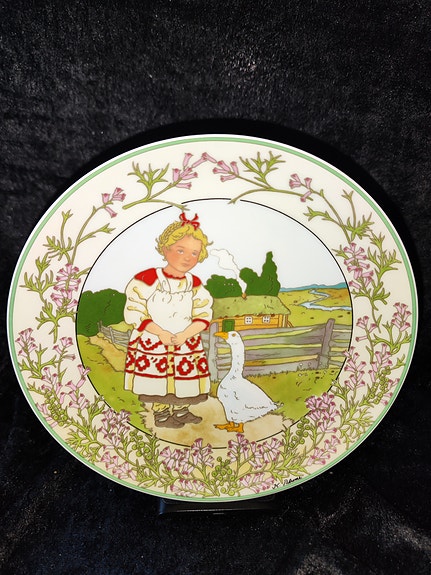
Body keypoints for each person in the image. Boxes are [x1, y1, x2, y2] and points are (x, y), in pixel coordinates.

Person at [123, 213, 213, 429]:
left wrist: (185, 334)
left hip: (185, 341)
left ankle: (182, 410)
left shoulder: (195, 284)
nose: (187, 258)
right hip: (154, 340)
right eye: (181, 250)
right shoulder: (147, 279)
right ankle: (162, 414)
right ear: (165, 249)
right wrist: (160, 332)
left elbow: (203, 313)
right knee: (158, 379)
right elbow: (135, 310)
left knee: (185, 377)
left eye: (194, 253)